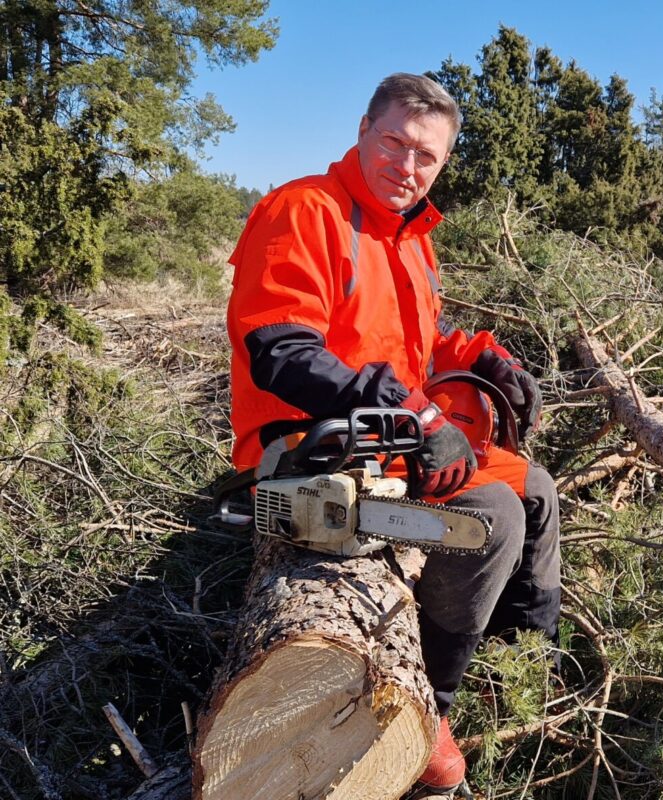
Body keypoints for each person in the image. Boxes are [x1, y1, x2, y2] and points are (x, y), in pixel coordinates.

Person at [226, 72, 561, 796]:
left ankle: (521, 667)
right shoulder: (305, 211)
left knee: (532, 488)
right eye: (395, 144)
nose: (407, 168)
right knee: (492, 518)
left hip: (383, 439)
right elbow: (281, 348)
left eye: (427, 157)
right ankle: (421, 711)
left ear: (443, 163)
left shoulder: (409, 238)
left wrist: (480, 356)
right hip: (306, 446)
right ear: (363, 131)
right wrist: (413, 412)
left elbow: (419, 342)